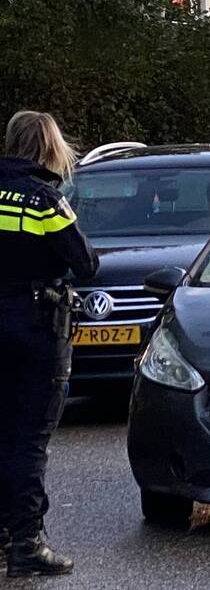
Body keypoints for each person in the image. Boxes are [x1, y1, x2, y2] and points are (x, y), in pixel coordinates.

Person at [0, 111, 98, 578]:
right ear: (49, 148)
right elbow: (85, 263)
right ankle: (27, 542)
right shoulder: (45, 200)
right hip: (36, 325)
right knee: (30, 438)